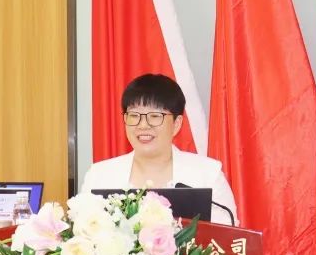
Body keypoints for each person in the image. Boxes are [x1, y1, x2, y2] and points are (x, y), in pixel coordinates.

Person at [82, 74, 238, 225]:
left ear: (176, 124)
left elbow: (227, 236)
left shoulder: (207, 175)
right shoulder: (99, 176)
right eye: (134, 115)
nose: (143, 125)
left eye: (155, 116)